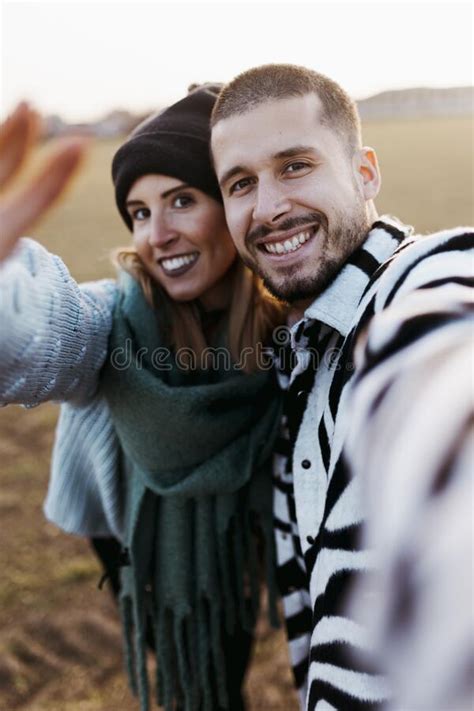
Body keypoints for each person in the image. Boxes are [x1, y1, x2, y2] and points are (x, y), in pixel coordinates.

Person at [0, 86, 287, 711]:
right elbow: (43, 329)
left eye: (181, 201)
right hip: (132, 531)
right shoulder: (116, 323)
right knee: (184, 652)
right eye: (138, 212)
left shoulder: (284, 327)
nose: (157, 235)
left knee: (227, 646)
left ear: (232, 206)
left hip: (240, 533)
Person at [209, 63, 473, 710]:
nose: (268, 207)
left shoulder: (428, 279)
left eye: (295, 165)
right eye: (241, 183)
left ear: (365, 173)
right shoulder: (291, 363)